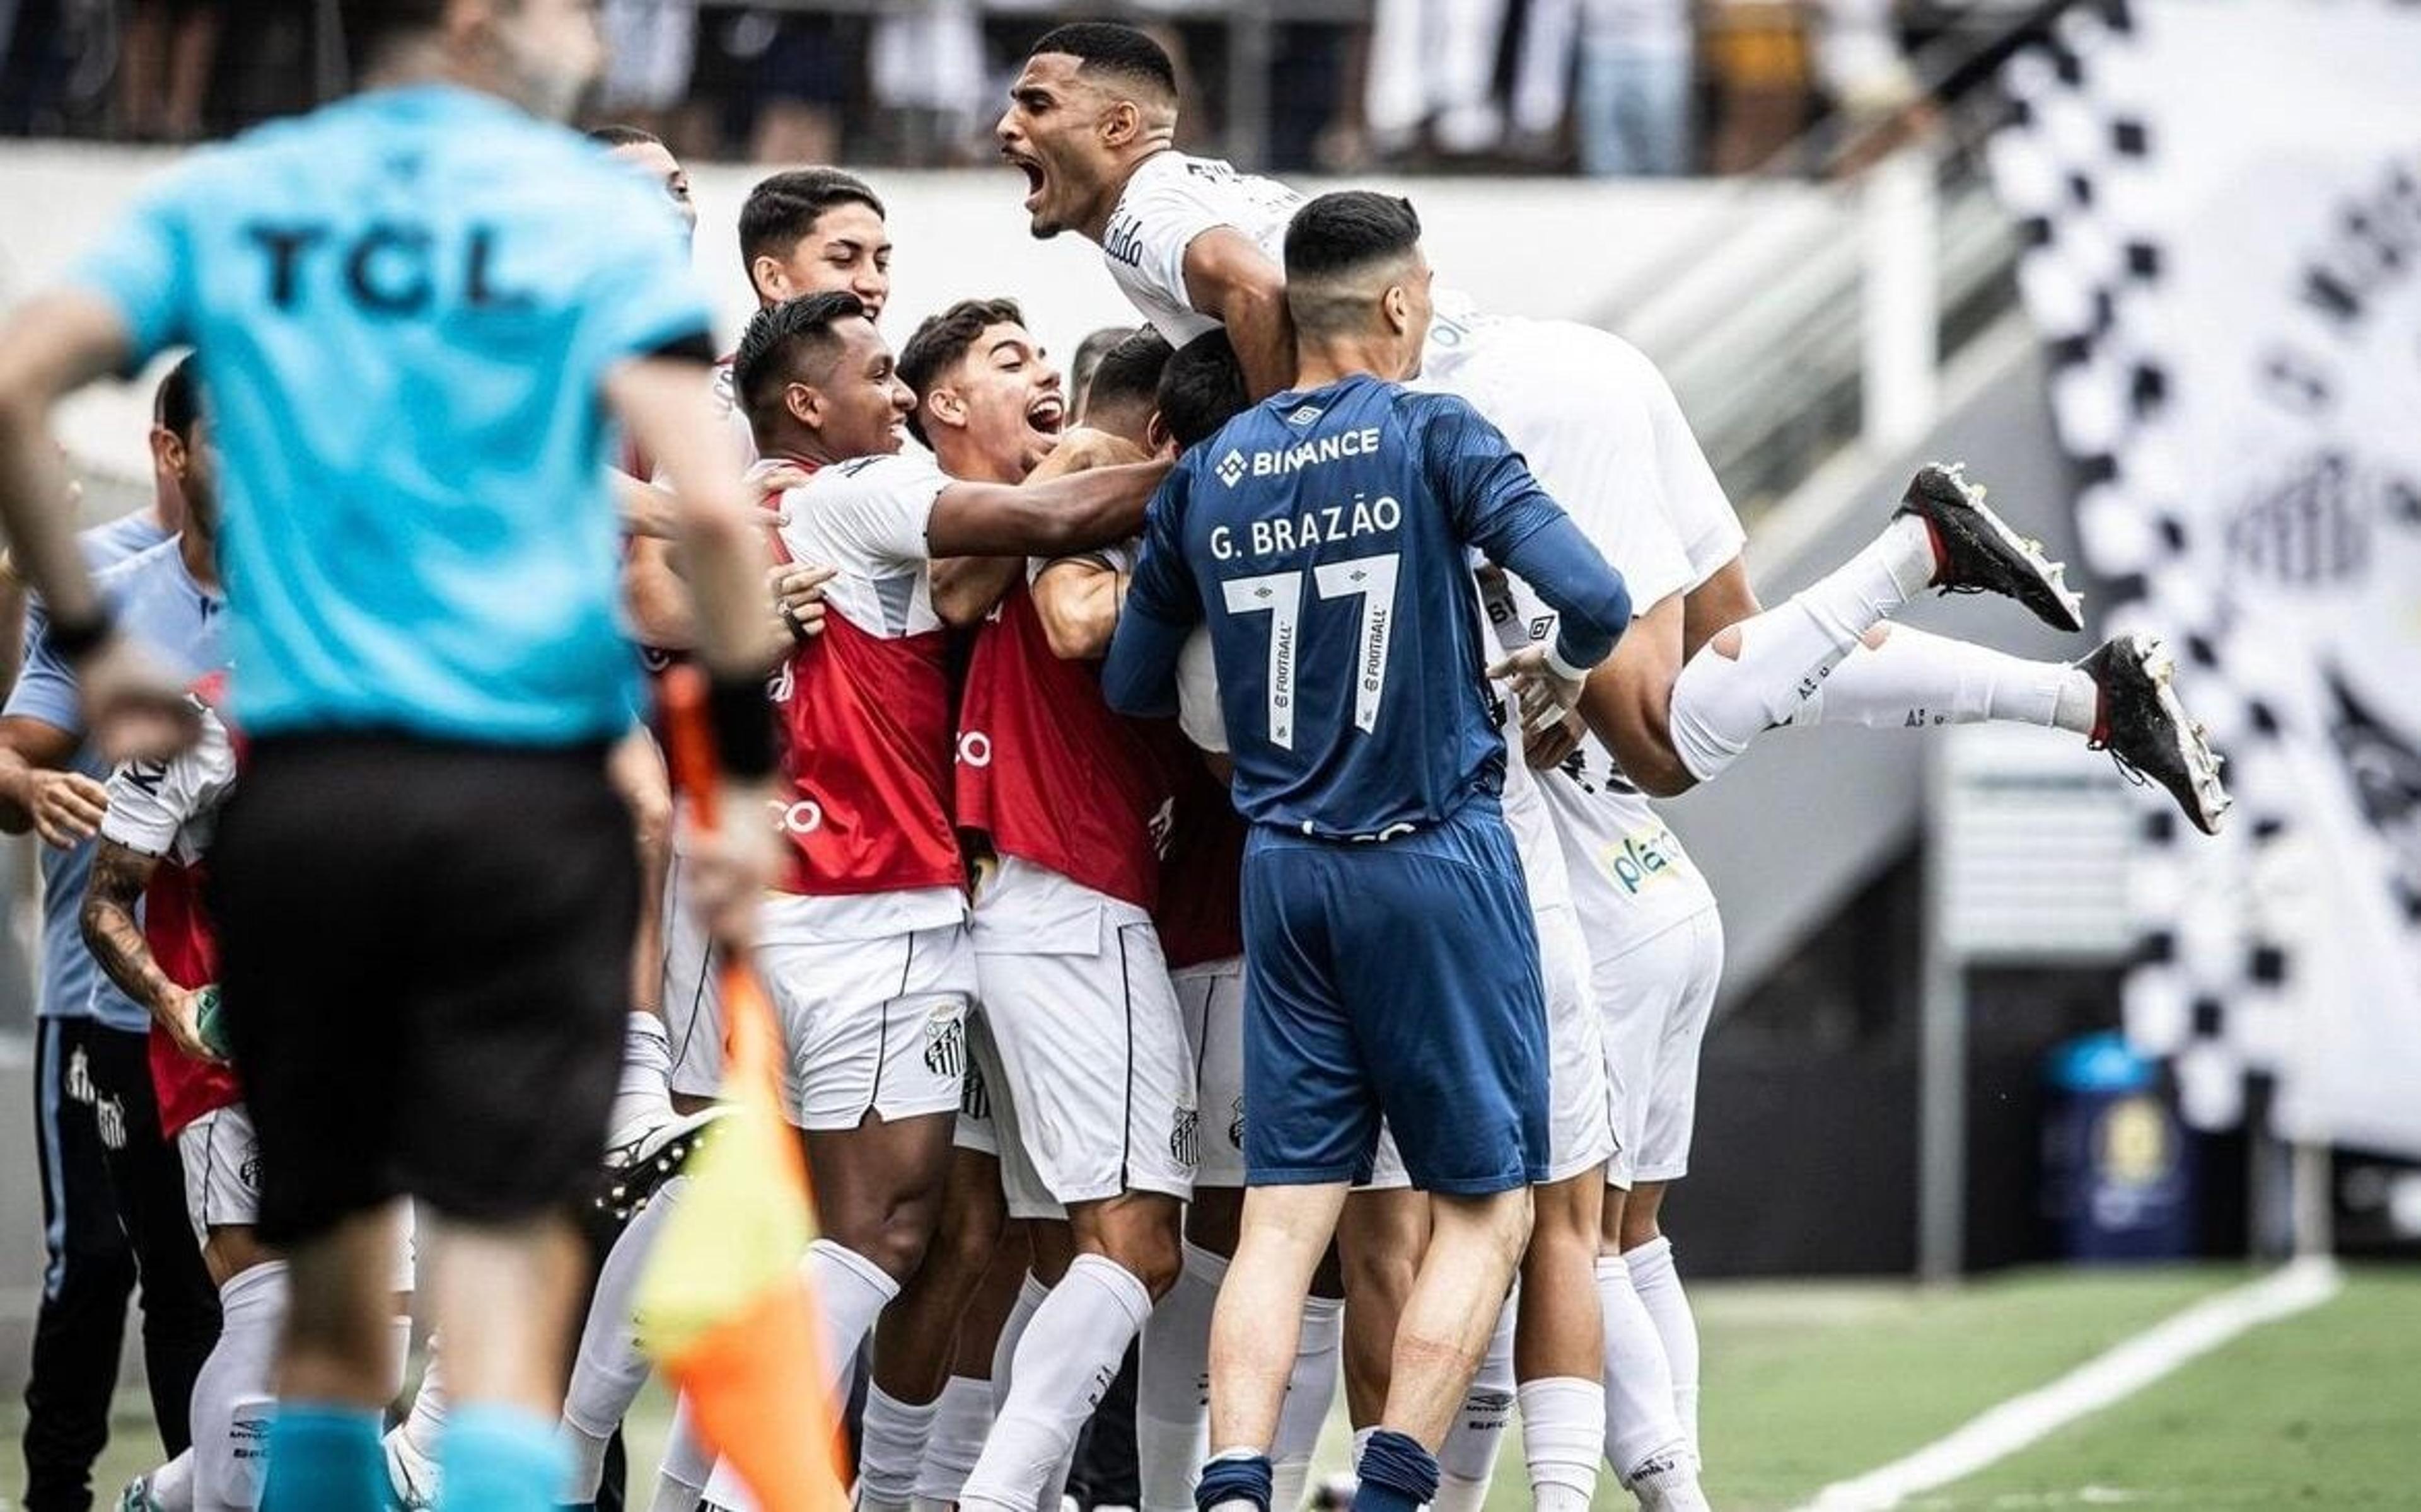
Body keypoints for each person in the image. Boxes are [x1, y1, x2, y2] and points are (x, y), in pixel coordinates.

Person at [0, 4, 786, 1510]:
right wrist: (740, 784)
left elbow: (18, 384)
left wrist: (99, 644)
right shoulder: (582, 216)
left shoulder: (248, 193)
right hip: (523, 805)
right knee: (496, 1316)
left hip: (308, 813)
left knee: (334, 1312)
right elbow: (712, 505)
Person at [1102, 189, 1637, 1512]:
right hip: (1433, 854)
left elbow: (1128, 683)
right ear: (1402, 303)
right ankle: (1392, 1495)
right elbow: (1601, 599)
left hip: (1283, 866)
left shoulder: (1212, 470)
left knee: (1287, 1221)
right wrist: (1561, 673)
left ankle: (1234, 1492)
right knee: (1488, 1207)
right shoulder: (1434, 429)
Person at [689, 289, 1170, 1512]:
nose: (895, 399)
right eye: (881, 376)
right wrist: (1248, 465)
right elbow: (1044, 529)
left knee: (957, 1239)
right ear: (809, 401)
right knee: (887, 1238)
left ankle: (884, 1489)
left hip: (840, 918)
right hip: (889, 912)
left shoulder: (778, 512)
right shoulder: (858, 492)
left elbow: (963, 588)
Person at [2, 357, 220, 1512]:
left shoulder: (336, 599)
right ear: (169, 448)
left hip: (275, 1008)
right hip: (109, 996)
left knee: (249, 1286)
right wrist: (25, 790)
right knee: (104, 1266)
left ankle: (209, 1491)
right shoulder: (102, 591)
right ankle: (57, 1496)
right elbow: (14, 751)